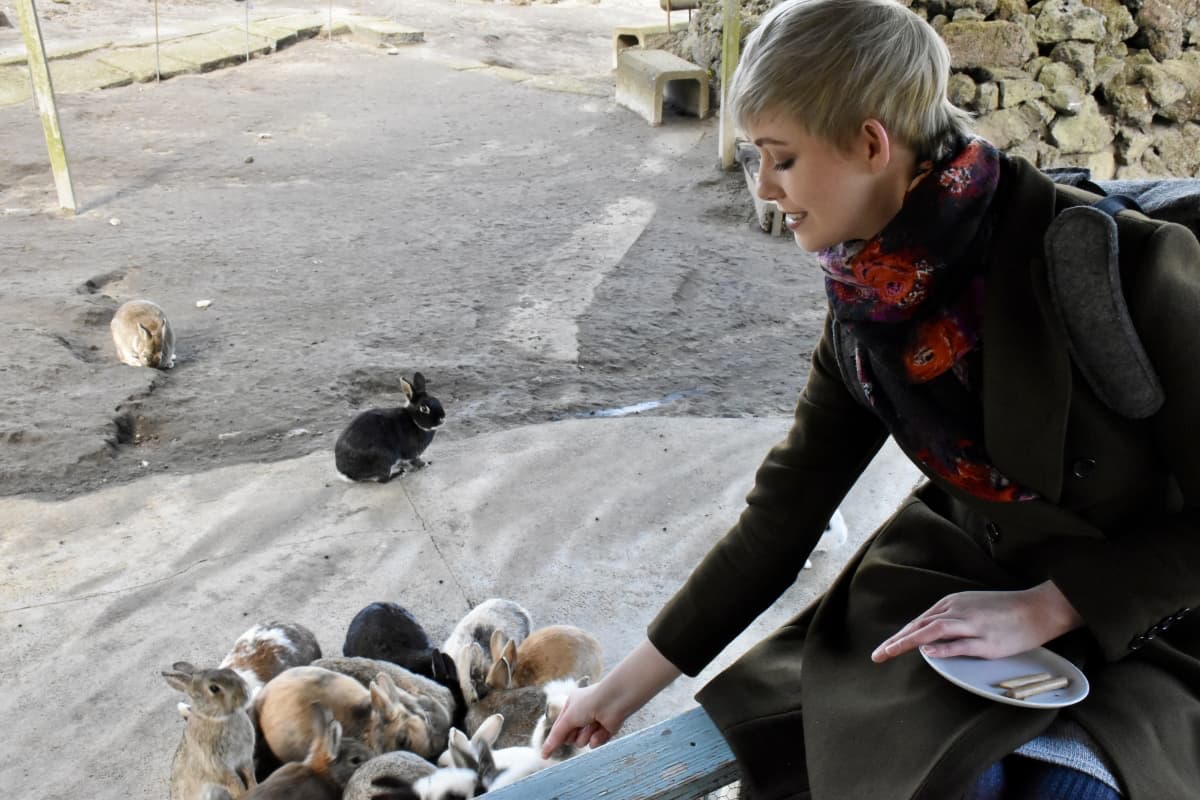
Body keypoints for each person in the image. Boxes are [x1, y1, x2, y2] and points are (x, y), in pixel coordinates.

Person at [540, 0, 1200, 797]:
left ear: (870, 142)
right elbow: (786, 511)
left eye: (780, 158)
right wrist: (619, 690)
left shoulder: (1117, 269)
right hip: (950, 590)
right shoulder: (869, 305)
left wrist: (1058, 605)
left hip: (1148, 613)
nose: (766, 189)